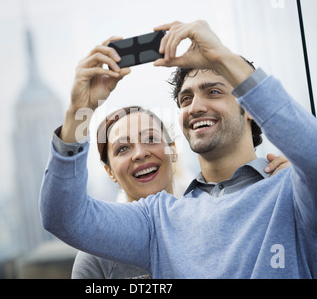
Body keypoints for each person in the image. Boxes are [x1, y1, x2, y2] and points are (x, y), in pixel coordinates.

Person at [40, 20, 317, 278]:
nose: (196, 106)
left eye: (213, 92)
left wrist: (222, 57)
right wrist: (81, 110)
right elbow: (64, 218)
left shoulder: (294, 194)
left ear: (250, 107)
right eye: (185, 99)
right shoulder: (157, 220)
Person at [70, 105, 290, 279]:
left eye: (150, 139)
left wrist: (294, 182)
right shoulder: (96, 255)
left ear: (173, 151)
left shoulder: (205, 218)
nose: (139, 154)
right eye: (123, 149)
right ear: (109, 172)